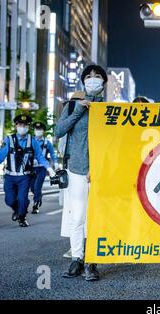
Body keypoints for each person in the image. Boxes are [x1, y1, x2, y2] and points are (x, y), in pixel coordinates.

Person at [55, 64, 108, 281]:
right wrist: (78, 109)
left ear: (104, 83)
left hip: (100, 173)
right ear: (83, 81)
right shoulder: (71, 106)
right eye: (89, 76)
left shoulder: (110, 110)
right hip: (76, 169)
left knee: (95, 219)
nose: (93, 79)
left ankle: (91, 262)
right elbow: (59, 130)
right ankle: (76, 258)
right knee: (77, 218)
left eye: (97, 76)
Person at [0, 114, 55, 227]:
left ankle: (22, 217)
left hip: (24, 177)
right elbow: (0, 155)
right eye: (20, 124)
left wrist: (49, 167)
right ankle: (18, 208)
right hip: (10, 177)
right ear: (16, 126)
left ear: (28, 127)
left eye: (25, 125)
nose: (22, 127)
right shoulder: (9, 140)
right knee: (9, 200)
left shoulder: (32, 141)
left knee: (22, 198)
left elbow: (40, 156)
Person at [59, 91, 86, 259]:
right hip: (73, 169)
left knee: (87, 213)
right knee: (74, 214)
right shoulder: (70, 113)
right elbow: (59, 133)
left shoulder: (96, 111)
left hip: (92, 168)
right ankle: (77, 252)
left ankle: (88, 251)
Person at [30, 121, 58, 214]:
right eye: (36, 129)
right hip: (31, 168)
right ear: (34, 130)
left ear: (43, 131)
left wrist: (56, 162)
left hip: (42, 168)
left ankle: (36, 204)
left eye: (40, 129)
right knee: (32, 188)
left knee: (37, 186)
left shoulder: (47, 142)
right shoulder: (30, 141)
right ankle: (39, 197)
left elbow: (53, 154)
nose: (38, 131)